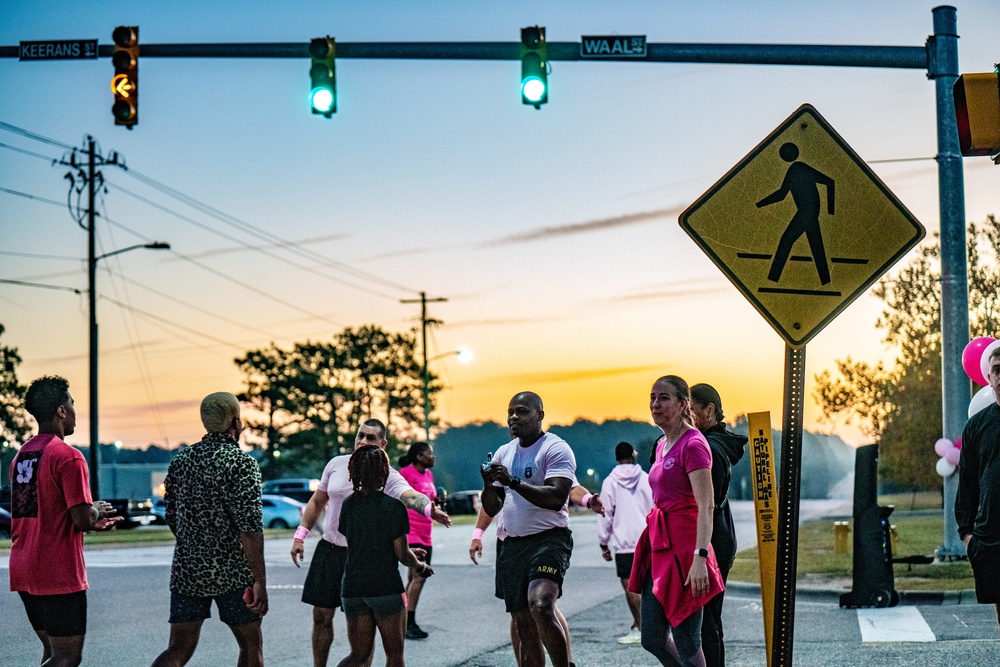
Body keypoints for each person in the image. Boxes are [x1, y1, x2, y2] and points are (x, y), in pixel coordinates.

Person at [291, 420, 451, 667]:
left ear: (383, 444)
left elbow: (411, 496)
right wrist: (300, 535)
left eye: (371, 438)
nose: (364, 442)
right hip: (330, 549)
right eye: (361, 436)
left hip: (363, 558)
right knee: (321, 616)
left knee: (364, 636)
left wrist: (430, 509)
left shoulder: (388, 475)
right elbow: (317, 502)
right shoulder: (336, 464)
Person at [9, 375, 123, 667]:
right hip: (56, 570)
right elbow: (83, 518)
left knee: (52, 652)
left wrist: (88, 517)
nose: (74, 411)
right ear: (61, 410)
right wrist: (94, 510)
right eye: (72, 404)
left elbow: (49, 512)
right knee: (67, 657)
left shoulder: (21, 456)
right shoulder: (68, 457)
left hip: (24, 566)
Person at [152, 391, 268, 667]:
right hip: (233, 570)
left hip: (188, 569)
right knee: (251, 647)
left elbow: (171, 514)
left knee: (178, 649)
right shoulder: (241, 464)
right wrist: (259, 580)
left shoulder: (182, 461)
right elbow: (250, 528)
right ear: (235, 423)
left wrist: (194, 542)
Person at [629, 375, 724, 667]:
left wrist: (700, 557)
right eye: (653, 397)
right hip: (660, 546)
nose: (655, 404)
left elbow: (706, 505)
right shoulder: (661, 445)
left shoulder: (693, 444)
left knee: (686, 639)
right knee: (652, 636)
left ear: (683, 404)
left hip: (686, 549)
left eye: (664, 398)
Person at [481, 391, 576, 667]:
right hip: (513, 545)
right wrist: (489, 483)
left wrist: (512, 481)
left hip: (549, 540)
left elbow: (557, 498)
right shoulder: (503, 453)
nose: (513, 417)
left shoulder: (555, 448)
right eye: (510, 412)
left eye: (521, 411)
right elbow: (493, 506)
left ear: (540, 415)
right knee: (523, 621)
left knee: (541, 605)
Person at [470, 485, 603, 667]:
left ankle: (567, 662)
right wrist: (477, 534)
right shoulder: (502, 459)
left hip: (543, 538)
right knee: (521, 613)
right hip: (508, 541)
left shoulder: (546, 457)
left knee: (542, 606)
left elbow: (571, 487)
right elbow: (491, 500)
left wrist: (588, 500)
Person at [337, 445, 434, 667]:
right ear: (383, 471)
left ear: (355, 471)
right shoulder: (393, 507)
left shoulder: (348, 504)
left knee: (358, 656)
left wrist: (407, 552)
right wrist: (419, 565)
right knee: (395, 655)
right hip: (385, 587)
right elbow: (401, 554)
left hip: (353, 588)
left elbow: (360, 540)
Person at [690, 383, 747, 667]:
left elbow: (703, 503)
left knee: (706, 620)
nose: (685, 417)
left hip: (712, 541)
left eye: (690, 410)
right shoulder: (713, 444)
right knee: (703, 619)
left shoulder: (711, 449)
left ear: (709, 410)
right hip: (718, 537)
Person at [956, 345, 1000, 623]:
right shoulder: (976, 426)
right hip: (991, 534)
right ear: (989, 376)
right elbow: (967, 482)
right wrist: (967, 535)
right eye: (997, 370)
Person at [597, 441, 653, 646]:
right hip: (648, 539)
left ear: (616, 457)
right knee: (650, 585)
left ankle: (639, 627)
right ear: (633, 455)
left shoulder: (610, 482)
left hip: (624, 543)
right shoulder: (647, 479)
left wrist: (604, 543)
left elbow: (605, 514)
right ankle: (655, 626)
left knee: (630, 585)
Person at [397, 442, 436, 639]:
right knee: (420, 576)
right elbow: (399, 498)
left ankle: (401, 620)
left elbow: (431, 501)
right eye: (430, 453)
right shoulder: (405, 473)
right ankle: (409, 623)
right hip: (411, 531)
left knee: (413, 579)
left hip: (426, 532)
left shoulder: (428, 475)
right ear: (420, 456)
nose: (433, 456)